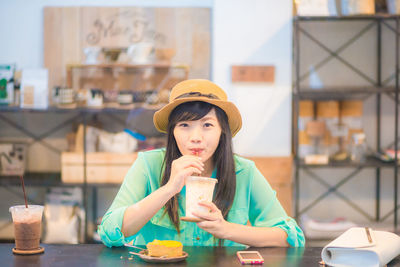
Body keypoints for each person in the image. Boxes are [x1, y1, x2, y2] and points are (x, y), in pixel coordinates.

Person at [98, 79, 305, 247]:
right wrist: (169, 189)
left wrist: (226, 229)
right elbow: (109, 231)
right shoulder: (149, 164)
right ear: (173, 131)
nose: (195, 137)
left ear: (222, 130)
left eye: (207, 125)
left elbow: (290, 236)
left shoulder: (243, 171)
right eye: (184, 125)